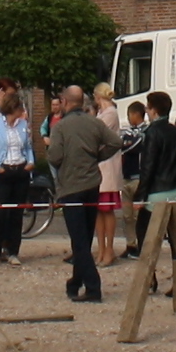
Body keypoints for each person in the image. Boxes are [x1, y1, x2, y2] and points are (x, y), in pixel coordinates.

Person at [113, 89, 176, 342]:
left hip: (157, 192)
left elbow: (148, 165)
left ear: (152, 110)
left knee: (145, 235)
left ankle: (149, 279)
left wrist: (141, 195)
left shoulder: (151, 133)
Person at [43, 83, 121, 304]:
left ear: (65, 102)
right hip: (92, 185)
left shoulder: (60, 127)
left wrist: (62, 155)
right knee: (84, 238)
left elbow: (54, 157)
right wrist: (98, 156)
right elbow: (116, 142)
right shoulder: (94, 123)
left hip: (71, 187)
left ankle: (94, 287)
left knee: (79, 240)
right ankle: (75, 283)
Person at [0, 87, 36, 264]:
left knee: (16, 214)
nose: (23, 112)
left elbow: (27, 147)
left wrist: (30, 162)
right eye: (20, 108)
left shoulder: (23, 125)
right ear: (13, 108)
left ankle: (13, 251)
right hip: (2, 171)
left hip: (20, 169)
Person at [94, 86, 129, 265]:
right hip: (99, 166)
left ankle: (109, 248)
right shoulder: (102, 113)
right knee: (98, 211)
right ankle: (100, 248)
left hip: (107, 166)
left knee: (107, 211)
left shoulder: (110, 113)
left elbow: (98, 134)